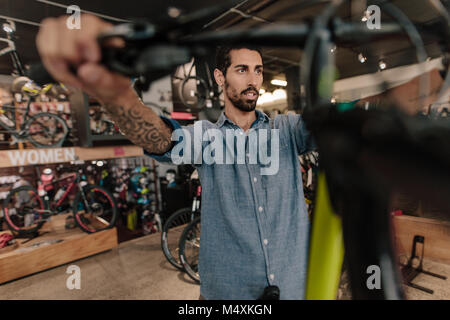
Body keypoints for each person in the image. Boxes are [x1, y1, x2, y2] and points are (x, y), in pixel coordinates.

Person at [36, 14, 315, 299]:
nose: (253, 79)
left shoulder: (287, 130)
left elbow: (347, 122)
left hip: (296, 285)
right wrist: (116, 93)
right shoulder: (206, 137)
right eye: (242, 70)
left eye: (258, 70)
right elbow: (159, 139)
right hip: (229, 292)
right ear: (220, 77)